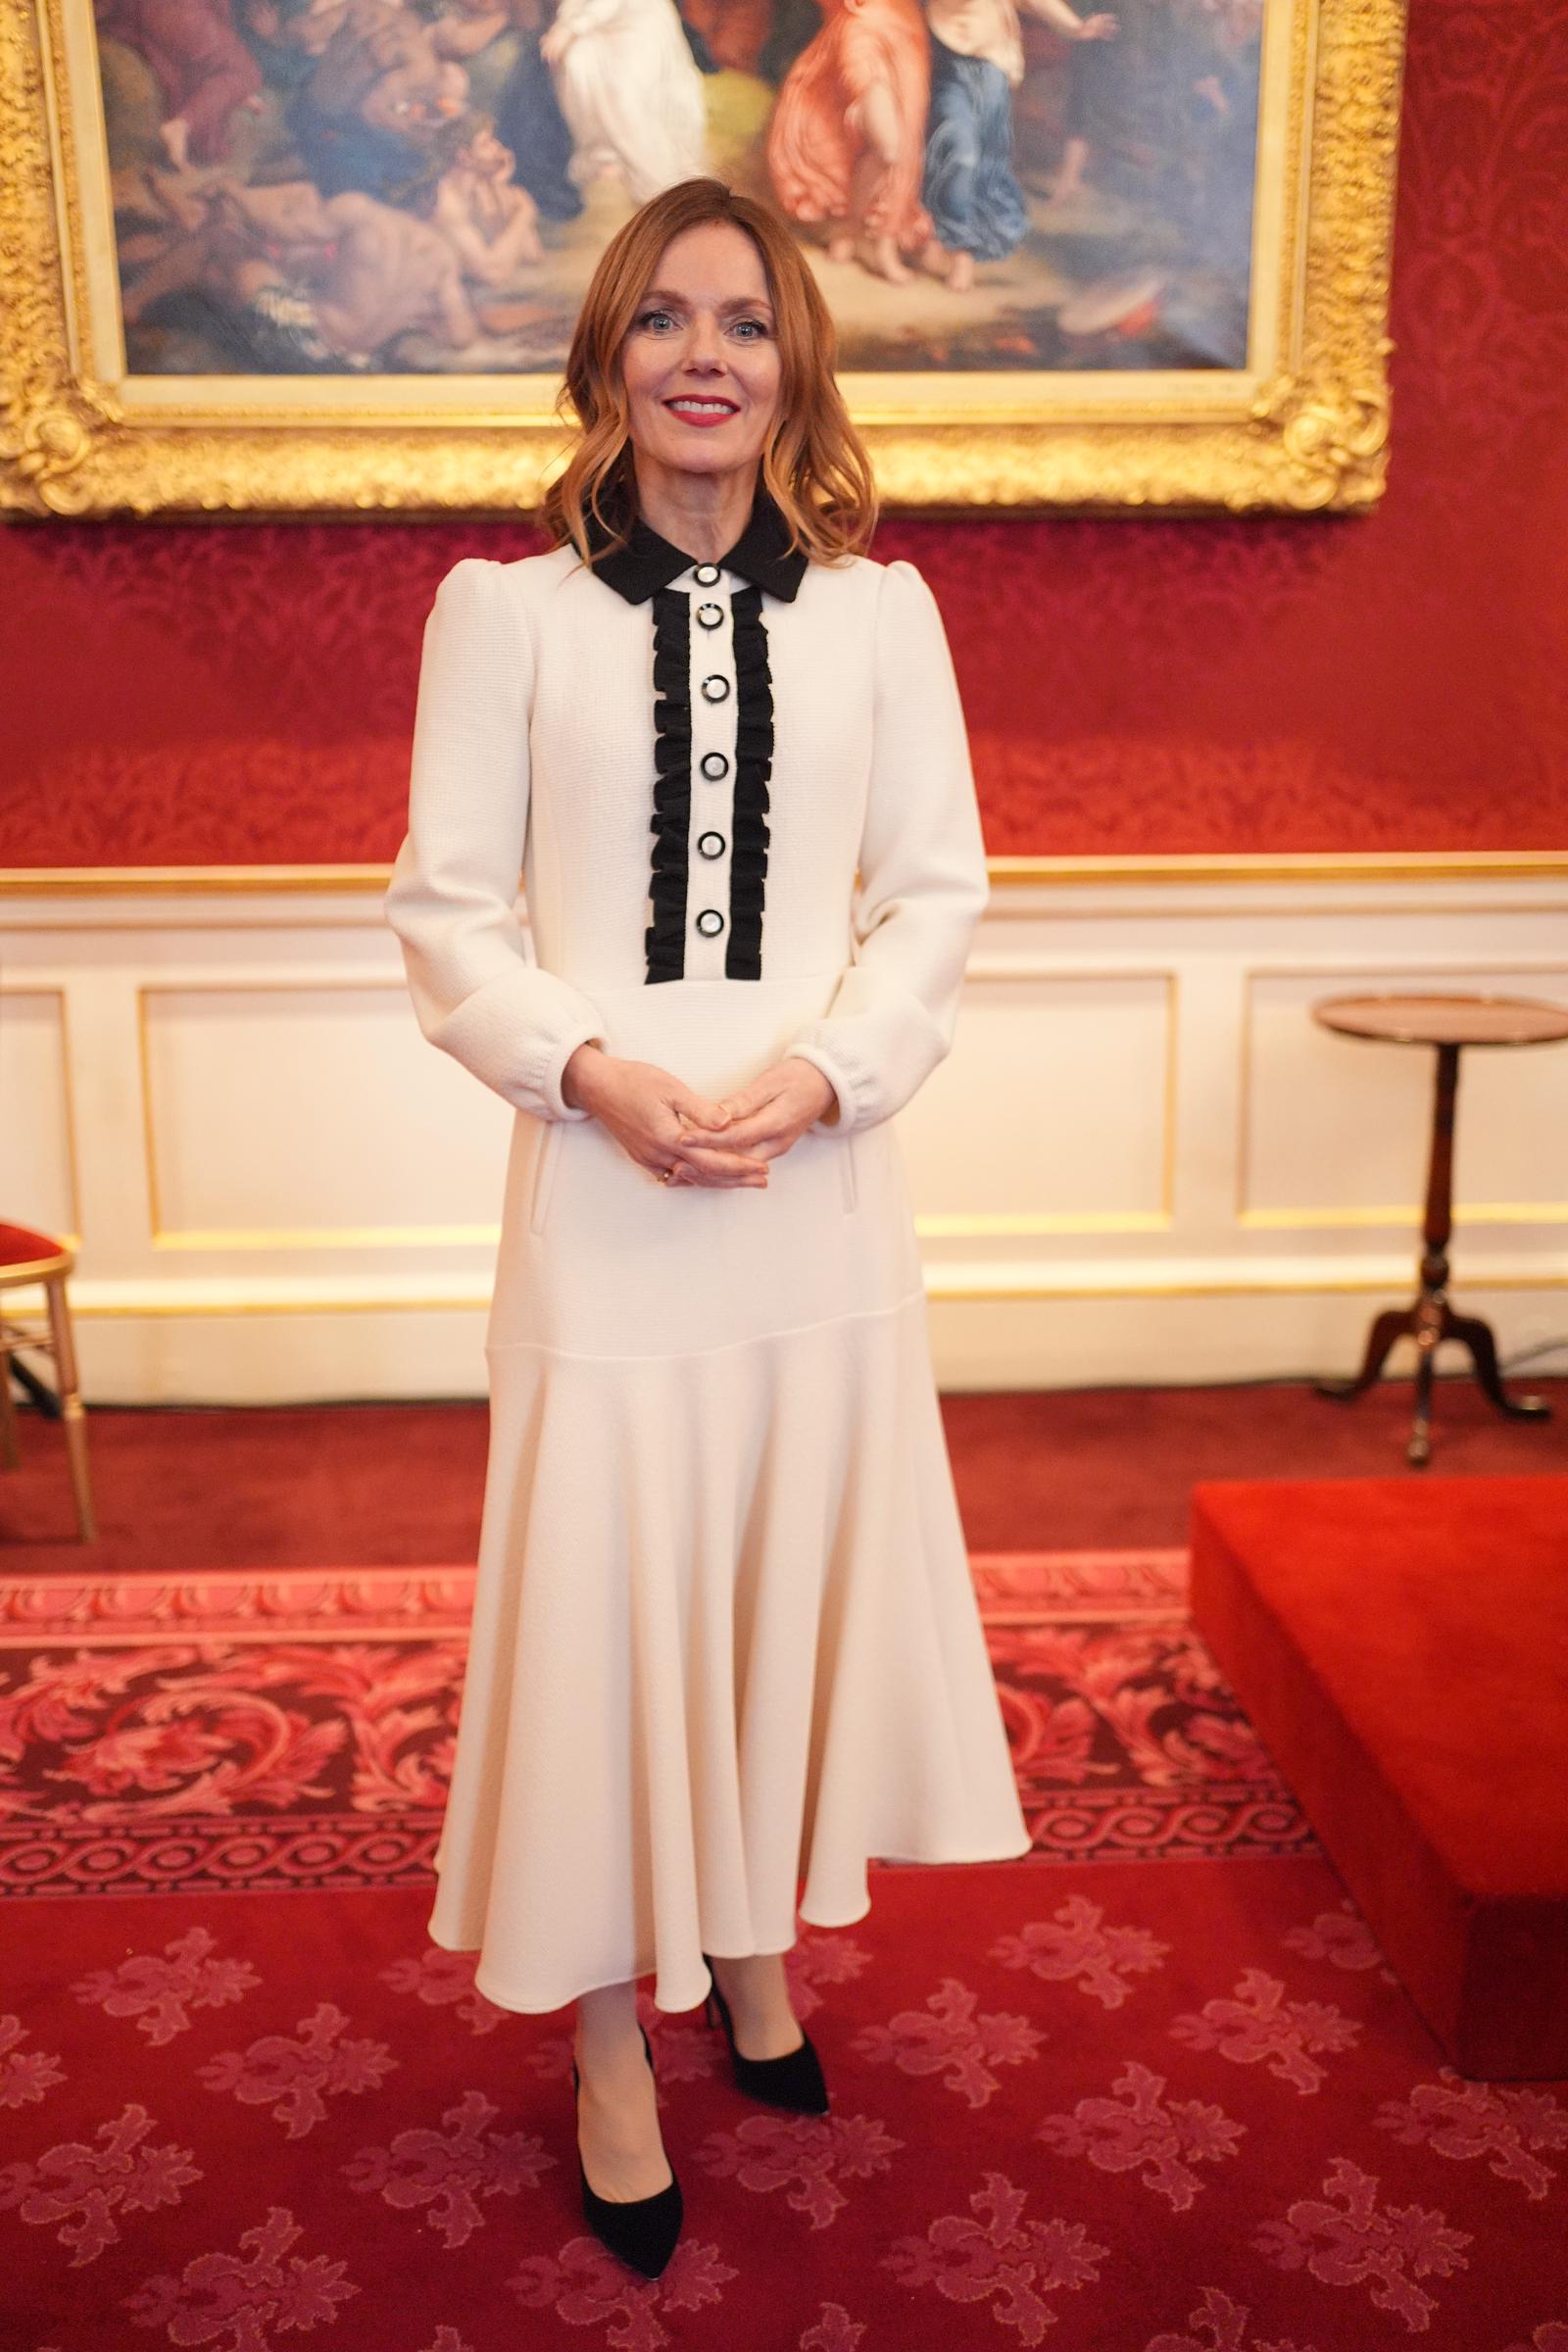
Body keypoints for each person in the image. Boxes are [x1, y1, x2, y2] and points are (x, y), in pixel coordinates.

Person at [384, 173, 1030, 2279]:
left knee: (772, 1588)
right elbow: (449, 916)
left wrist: (828, 1075)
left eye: (742, 322)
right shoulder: (503, 616)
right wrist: (595, 1076)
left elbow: (930, 896)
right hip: (605, 1187)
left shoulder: (880, 614)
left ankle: (753, 1947)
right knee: (604, 1603)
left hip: (816, 1192)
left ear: (793, 364)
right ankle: (601, 2037)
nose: (701, 357)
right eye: (660, 319)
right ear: (604, 355)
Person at [920, 0, 1117, 290]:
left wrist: (1075, 27)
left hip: (991, 68)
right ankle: (940, 236)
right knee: (958, 154)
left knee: (982, 161)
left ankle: (962, 254)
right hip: (948, 64)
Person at [765, 0, 933, 284]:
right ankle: (855, 230)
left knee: (902, 139)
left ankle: (877, 238)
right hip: (861, 29)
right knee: (888, 143)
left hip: (907, 34)